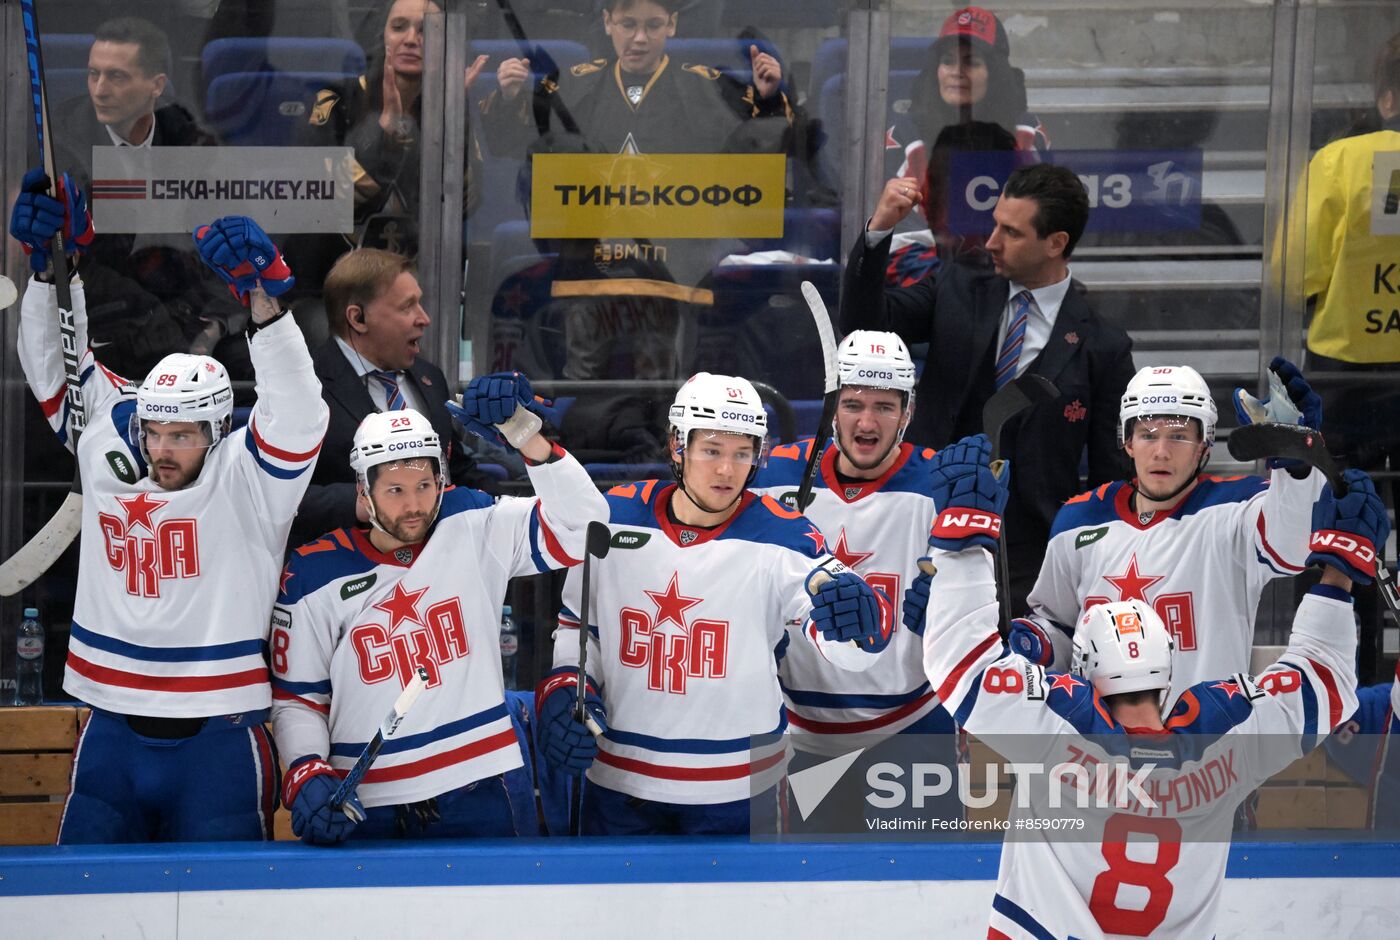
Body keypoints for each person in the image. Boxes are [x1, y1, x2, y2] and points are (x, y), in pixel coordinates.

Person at [920, 433, 1383, 938]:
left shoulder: (1054, 725)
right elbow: (1327, 680)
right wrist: (1339, 575)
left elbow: (959, 663)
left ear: (1086, 669)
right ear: (1166, 669)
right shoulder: (1225, 745)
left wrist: (962, 541)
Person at [11, 181, 326, 843]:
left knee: (222, 914)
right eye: (154, 432)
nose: (162, 449)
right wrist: (48, 270)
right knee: (86, 902)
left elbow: (298, 412)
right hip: (111, 729)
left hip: (219, 736)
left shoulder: (251, 475)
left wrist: (265, 305)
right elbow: (54, 367)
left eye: (181, 436)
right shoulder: (112, 434)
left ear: (217, 430)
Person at [535, 373, 895, 835]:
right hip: (619, 785)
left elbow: (844, 646)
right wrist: (568, 687)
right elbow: (579, 630)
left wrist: (853, 626)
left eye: (742, 453)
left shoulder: (787, 536)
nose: (727, 470)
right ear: (677, 447)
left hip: (739, 792)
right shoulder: (611, 519)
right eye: (712, 450)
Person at [271, 384, 608, 843]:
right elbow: (299, 700)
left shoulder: (471, 522)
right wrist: (307, 769)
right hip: (370, 797)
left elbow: (585, 528)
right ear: (363, 490)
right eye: (394, 490)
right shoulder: (313, 572)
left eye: (424, 486)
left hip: (483, 781)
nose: (413, 505)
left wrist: (527, 435)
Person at [841, 161, 1136, 614]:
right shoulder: (960, 283)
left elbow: (1109, 476)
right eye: (995, 224)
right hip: (926, 527)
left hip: (1029, 556)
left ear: (1056, 243)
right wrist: (879, 230)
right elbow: (865, 326)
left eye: (1012, 233)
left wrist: (1092, 565)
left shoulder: (1103, 344)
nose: (992, 242)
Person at [480, 0, 792, 381]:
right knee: (582, 373)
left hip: (672, 267)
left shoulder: (707, 87)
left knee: (661, 378)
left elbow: (756, 156)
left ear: (672, 25)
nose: (639, 38)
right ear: (608, 22)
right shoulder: (571, 84)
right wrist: (510, 99)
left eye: (653, 25)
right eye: (628, 24)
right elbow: (514, 148)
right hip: (589, 263)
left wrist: (768, 99)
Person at [1014, 362, 1326, 698]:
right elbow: (1062, 627)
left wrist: (1297, 465)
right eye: (1148, 435)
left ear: (1203, 445)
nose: (1161, 451)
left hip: (1208, 738)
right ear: (1128, 442)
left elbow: (1292, 550)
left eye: (1178, 436)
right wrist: (1041, 642)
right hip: (1101, 740)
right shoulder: (1078, 521)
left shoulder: (1238, 508)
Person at [750, 331, 955, 739]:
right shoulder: (772, 477)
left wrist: (956, 597)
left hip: (912, 723)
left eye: (884, 406)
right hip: (793, 726)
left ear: (907, 412)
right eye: (853, 404)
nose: (866, 421)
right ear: (831, 408)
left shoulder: (942, 485)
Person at [1289, 29, 1400, 681]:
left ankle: (1338, 682)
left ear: (1385, 95)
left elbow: (1296, 269)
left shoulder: (1341, 160)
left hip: (1347, 369)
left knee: (1339, 530)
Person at [52, 16, 248, 381]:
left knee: (251, 363)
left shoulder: (188, 141)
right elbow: (73, 263)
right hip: (108, 320)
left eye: (116, 76)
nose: (99, 89)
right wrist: (156, 320)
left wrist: (215, 325)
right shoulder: (61, 146)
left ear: (156, 86)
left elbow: (222, 242)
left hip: (187, 313)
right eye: (93, 74)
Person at [292, 247, 490, 548]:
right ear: (358, 318)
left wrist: (503, 507)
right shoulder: (302, 390)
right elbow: (276, 496)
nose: (424, 319)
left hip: (436, 566)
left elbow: (454, 468)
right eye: (407, 307)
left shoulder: (430, 378)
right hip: (347, 572)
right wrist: (367, 503)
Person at [288, 0, 487, 282]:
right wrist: (383, 135)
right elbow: (325, 199)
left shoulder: (450, 105)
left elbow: (466, 203)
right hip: (332, 283)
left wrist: (452, 123)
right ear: (382, 35)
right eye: (398, 27)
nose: (410, 40)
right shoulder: (334, 102)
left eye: (426, 31)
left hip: (421, 283)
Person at [885, 6, 1049, 285]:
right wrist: (957, 291)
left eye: (971, 62)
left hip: (1009, 287)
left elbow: (1039, 231)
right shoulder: (904, 136)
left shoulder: (1027, 134)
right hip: (929, 292)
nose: (956, 73)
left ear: (994, 73)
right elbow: (900, 242)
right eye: (948, 61)